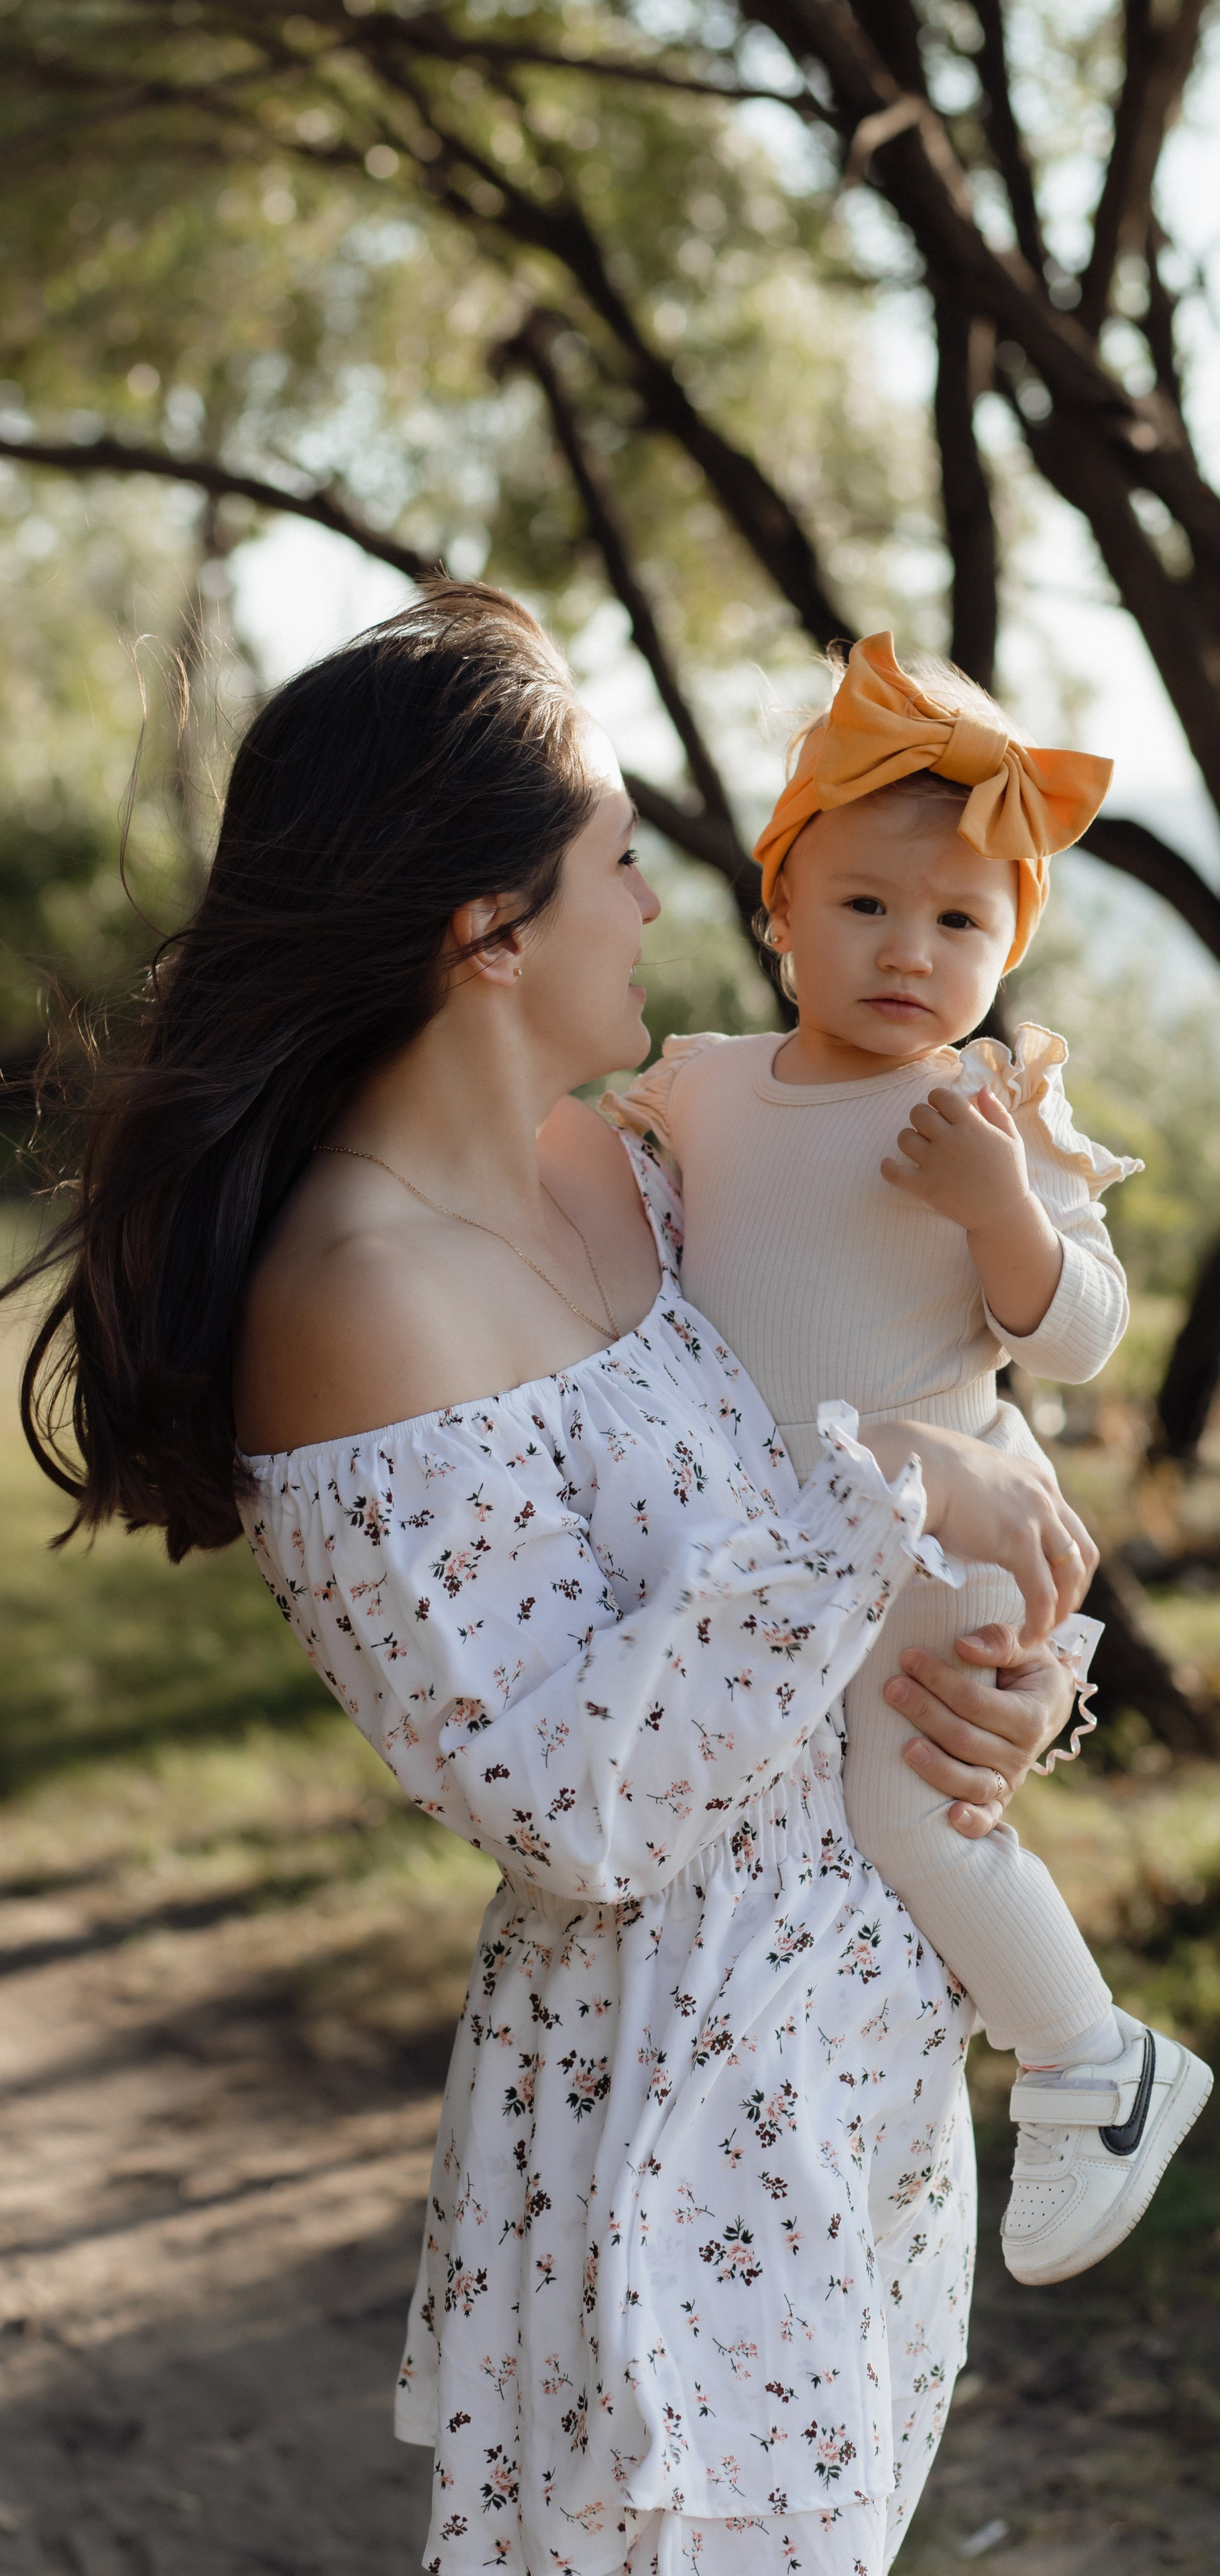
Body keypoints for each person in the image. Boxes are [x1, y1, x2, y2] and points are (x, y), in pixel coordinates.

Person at [9, 582, 1094, 2576]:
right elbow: (578, 1803)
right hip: (672, 2140)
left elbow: (820, 1474)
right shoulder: (354, 1306)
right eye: (615, 859)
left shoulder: (626, 1164)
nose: (659, 908)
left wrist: (1004, 1686)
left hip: (859, 2071)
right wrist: (896, 1498)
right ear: (487, 934)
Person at [607, 634, 1211, 2289]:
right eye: (865, 905)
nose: (909, 952)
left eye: (960, 922)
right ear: (776, 909)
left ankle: (1091, 2059)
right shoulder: (707, 1090)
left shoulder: (992, 1119)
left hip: (945, 1527)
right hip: (784, 1538)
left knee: (915, 1800)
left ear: (1009, 945)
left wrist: (1001, 1207)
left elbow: (1079, 1333)